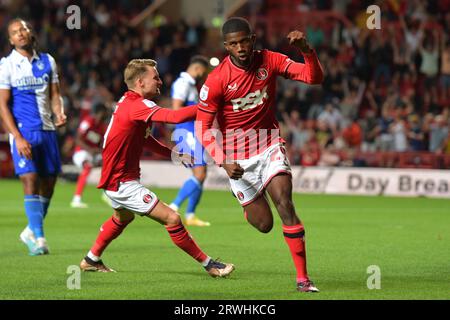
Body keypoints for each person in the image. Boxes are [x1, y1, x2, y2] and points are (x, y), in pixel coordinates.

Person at [195, 17, 324, 292]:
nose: (240, 47)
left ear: (252, 40)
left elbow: (314, 78)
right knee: (264, 224)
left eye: (244, 41)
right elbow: (202, 128)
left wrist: (306, 50)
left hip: (269, 145)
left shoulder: (270, 60)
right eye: (233, 44)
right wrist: (223, 161)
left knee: (285, 204)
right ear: (226, 47)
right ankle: (246, 201)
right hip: (237, 160)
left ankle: (303, 279)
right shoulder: (217, 80)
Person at [79, 59, 234, 278]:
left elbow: (145, 139)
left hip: (115, 179)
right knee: (172, 218)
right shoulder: (139, 105)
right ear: (141, 82)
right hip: (122, 183)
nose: (160, 81)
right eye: (156, 78)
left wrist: (173, 153)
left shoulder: (128, 101)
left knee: (123, 218)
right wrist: (209, 105)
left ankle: (90, 259)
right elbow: (174, 116)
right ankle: (210, 265)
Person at [0, 18, 66, 256]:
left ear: (30, 32)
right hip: (23, 131)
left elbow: (55, 93)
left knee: (49, 182)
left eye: (24, 29)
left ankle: (30, 229)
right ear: (10, 39)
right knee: (30, 180)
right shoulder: (6, 65)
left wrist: (59, 111)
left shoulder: (48, 61)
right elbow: (2, 105)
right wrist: (16, 137)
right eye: (15, 32)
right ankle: (39, 238)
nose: (20, 33)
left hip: (47, 130)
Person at [168, 55, 211, 226]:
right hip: (187, 131)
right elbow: (176, 110)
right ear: (198, 69)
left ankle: (191, 215)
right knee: (200, 173)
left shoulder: (191, 85)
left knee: (200, 174)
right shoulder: (182, 84)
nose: (204, 74)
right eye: (203, 71)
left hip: (194, 131)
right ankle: (174, 206)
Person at [70, 103, 109, 208]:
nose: (105, 116)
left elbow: (102, 145)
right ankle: (76, 199)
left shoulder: (103, 127)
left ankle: (107, 194)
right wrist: (90, 149)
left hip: (93, 154)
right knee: (87, 167)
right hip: (81, 152)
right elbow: (77, 139)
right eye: (104, 114)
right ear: (98, 113)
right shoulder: (88, 121)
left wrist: (99, 150)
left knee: (109, 164)